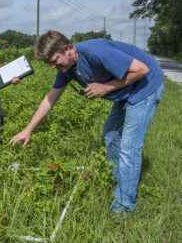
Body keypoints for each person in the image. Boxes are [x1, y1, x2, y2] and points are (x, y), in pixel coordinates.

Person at [9, 30, 165, 214]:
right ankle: (120, 184)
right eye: (49, 63)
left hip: (144, 86)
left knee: (129, 148)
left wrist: (105, 87)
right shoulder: (67, 69)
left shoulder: (96, 51)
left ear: (67, 49)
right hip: (125, 90)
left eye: (54, 60)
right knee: (111, 135)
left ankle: (124, 207)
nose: (52, 66)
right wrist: (28, 129)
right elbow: (50, 99)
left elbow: (142, 69)